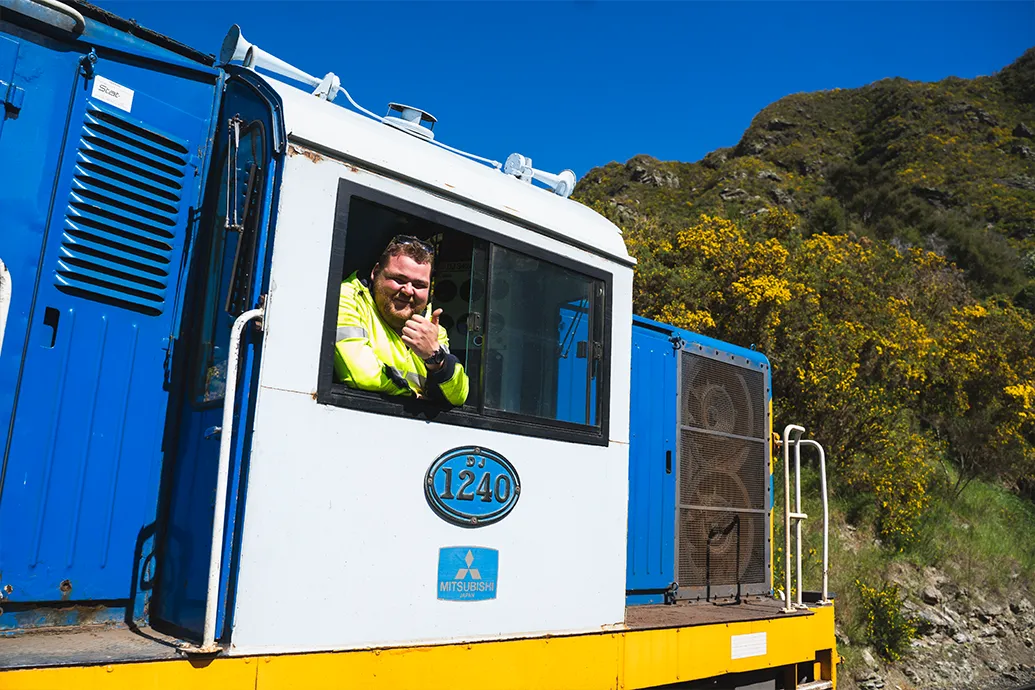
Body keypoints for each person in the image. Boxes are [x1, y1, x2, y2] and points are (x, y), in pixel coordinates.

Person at [334, 235, 469, 406]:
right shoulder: (347, 297)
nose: (408, 291)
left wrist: (436, 359)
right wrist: (413, 395)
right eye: (399, 280)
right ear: (376, 272)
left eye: (419, 285)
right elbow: (362, 374)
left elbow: (458, 395)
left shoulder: (432, 325)